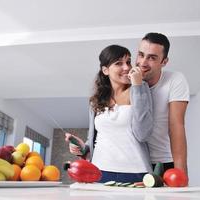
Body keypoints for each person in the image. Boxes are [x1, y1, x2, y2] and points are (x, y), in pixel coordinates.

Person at [65, 44, 154, 183]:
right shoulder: (95, 101)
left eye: (128, 62)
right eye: (119, 63)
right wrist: (83, 147)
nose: (127, 67)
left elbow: (143, 134)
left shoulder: (140, 89)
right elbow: (98, 137)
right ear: (105, 70)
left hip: (136, 172)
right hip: (99, 171)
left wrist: (137, 86)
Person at [135, 32, 190, 175]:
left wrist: (181, 173)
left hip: (163, 161)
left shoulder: (175, 80)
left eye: (152, 58)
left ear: (164, 61)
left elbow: (176, 126)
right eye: (141, 55)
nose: (143, 63)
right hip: (134, 161)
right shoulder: (127, 79)